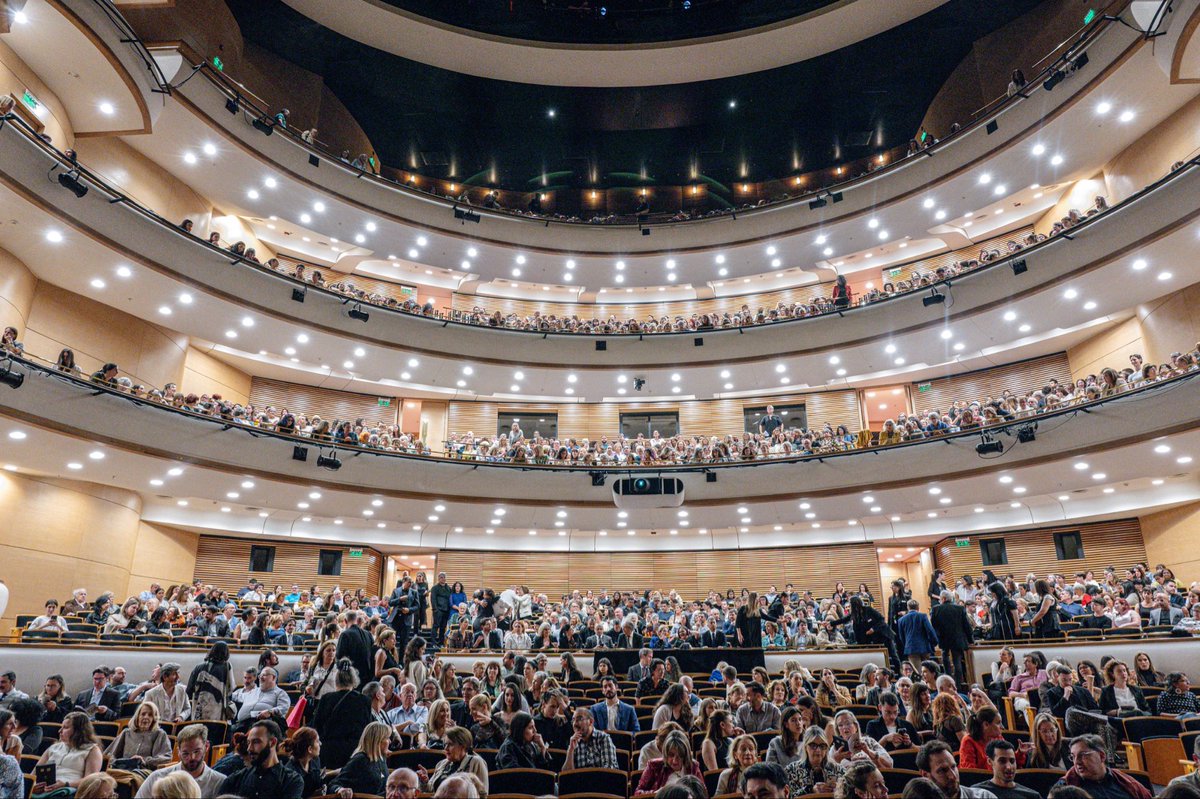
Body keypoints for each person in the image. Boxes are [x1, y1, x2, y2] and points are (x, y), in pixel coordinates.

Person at [311, 659, 373, 770]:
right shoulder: (364, 700)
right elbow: (367, 728)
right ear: (354, 680)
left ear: (336, 680)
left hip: (329, 751)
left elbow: (317, 725)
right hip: (354, 752)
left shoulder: (326, 698)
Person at [218, 719, 303, 799]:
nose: (249, 748)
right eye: (248, 742)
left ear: (272, 742)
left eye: (256, 742)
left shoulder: (291, 780)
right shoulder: (237, 779)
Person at [134, 723, 225, 798]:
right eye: (186, 753)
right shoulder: (158, 777)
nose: (192, 757)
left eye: (197, 751)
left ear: (206, 746)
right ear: (178, 752)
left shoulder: (219, 781)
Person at [1052, 734, 1151, 799]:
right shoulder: (1065, 787)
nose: (1077, 762)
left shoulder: (1125, 782)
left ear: (1102, 756)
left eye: (1083, 755)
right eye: (1073, 757)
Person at [32, 711, 103, 796]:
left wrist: (66, 784)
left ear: (79, 731)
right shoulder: (53, 747)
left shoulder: (92, 749)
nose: (60, 731)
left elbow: (91, 780)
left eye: (65, 727)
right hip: (44, 790)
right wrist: (34, 785)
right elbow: (34, 774)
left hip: (69, 790)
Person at [417, 726, 489, 796]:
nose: (446, 748)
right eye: (445, 744)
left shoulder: (476, 762)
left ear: (463, 746)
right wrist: (424, 781)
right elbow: (429, 792)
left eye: (450, 744)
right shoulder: (441, 764)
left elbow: (483, 794)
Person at [917, 740, 997, 798]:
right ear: (925, 775)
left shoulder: (984, 797)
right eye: (942, 771)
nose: (953, 776)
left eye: (953, 767)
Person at [329, 722, 389, 799]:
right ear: (377, 741)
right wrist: (341, 790)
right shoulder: (360, 760)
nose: (390, 741)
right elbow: (334, 784)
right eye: (387, 738)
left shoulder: (381, 758)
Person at [105, 701, 171, 769]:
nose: (146, 717)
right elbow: (109, 754)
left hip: (144, 770)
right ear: (137, 716)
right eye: (143, 714)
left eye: (150, 715)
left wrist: (144, 760)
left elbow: (166, 758)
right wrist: (119, 762)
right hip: (122, 769)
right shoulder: (126, 733)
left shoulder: (160, 734)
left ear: (154, 719)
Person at [959, 707, 1027, 770]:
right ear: (986, 725)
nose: (1002, 727)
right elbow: (969, 772)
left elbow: (1008, 762)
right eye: (998, 723)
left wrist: (1020, 752)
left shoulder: (998, 737)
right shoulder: (968, 741)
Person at [637, 730, 703, 794]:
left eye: (680, 756)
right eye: (671, 755)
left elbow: (703, 793)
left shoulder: (693, 766)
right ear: (665, 753)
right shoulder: (654, 766)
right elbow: (637, 793)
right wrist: (656, 793)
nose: (674, 761)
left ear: (685, 755)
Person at [784, 727, 844, 795]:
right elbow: (787, 796)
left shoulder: (838, 770)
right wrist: (810, 790)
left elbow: (850, 793)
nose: (818, 750)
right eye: (813, 745)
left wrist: (839, 788)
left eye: (822, 746)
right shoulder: (791, 770)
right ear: (805, 747)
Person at [931, 592, 973, 686]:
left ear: (943, 599)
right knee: (957, 661)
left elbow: (934, 626)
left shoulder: (936, 609)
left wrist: (935, 639)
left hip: (943, 638)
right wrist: (970, 640)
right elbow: (966, 625)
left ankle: (948, 682)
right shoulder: (959, 608)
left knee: (945, 659)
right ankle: (958, 684)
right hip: (957, 639)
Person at [233, 667, 290, 731]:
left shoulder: (280, 693)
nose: (260, 677)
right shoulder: (252, 691)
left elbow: (283, 707)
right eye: (260, 675)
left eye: (264, 675)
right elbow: (236, 696)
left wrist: (270, 712)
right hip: (241, 724)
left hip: (262, 725)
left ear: (273, 677)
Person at [278, 726, 324, 799]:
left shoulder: (315, 760)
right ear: (310, 749)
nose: (320, 744)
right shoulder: (292, 773)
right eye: (317, 741)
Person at [335, 611, 375, 689]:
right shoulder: (368, 634)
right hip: (368, 674)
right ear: (357, 620)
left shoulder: (345, 634)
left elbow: (340, 656)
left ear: (345, 621)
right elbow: (373, 653)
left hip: (352, 676)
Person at [897, 600, 939, 670]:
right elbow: (930, 630)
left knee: (917, 671)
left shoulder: (901, 620)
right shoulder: (923, 616)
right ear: (918, 608)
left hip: (911, 648)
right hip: (924, 647)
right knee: (927, 670)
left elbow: (901, 637)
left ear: (908, 608)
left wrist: (907, 645)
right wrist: (934, 643)